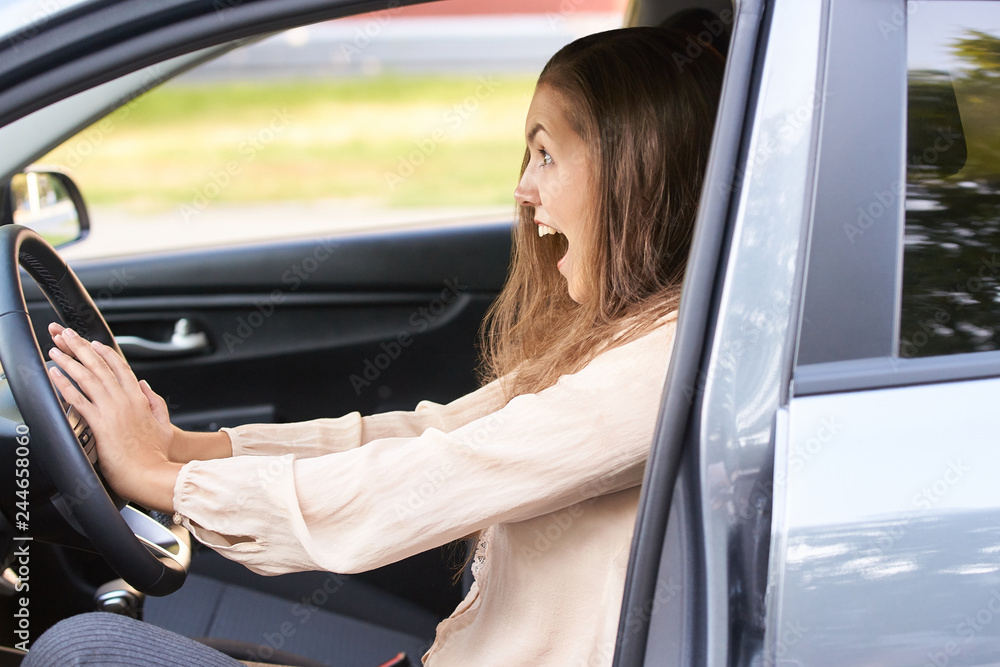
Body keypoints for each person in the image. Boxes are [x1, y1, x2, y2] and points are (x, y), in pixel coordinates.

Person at [25, 25, 724, 667]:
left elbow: (433, 476)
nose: (523, 187)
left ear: (638, 171)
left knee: (81, 652)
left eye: (547, 153)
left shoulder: (659, 368)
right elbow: (429, 433)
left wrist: (159, 481)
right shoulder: (625, 339)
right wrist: (187, 449)